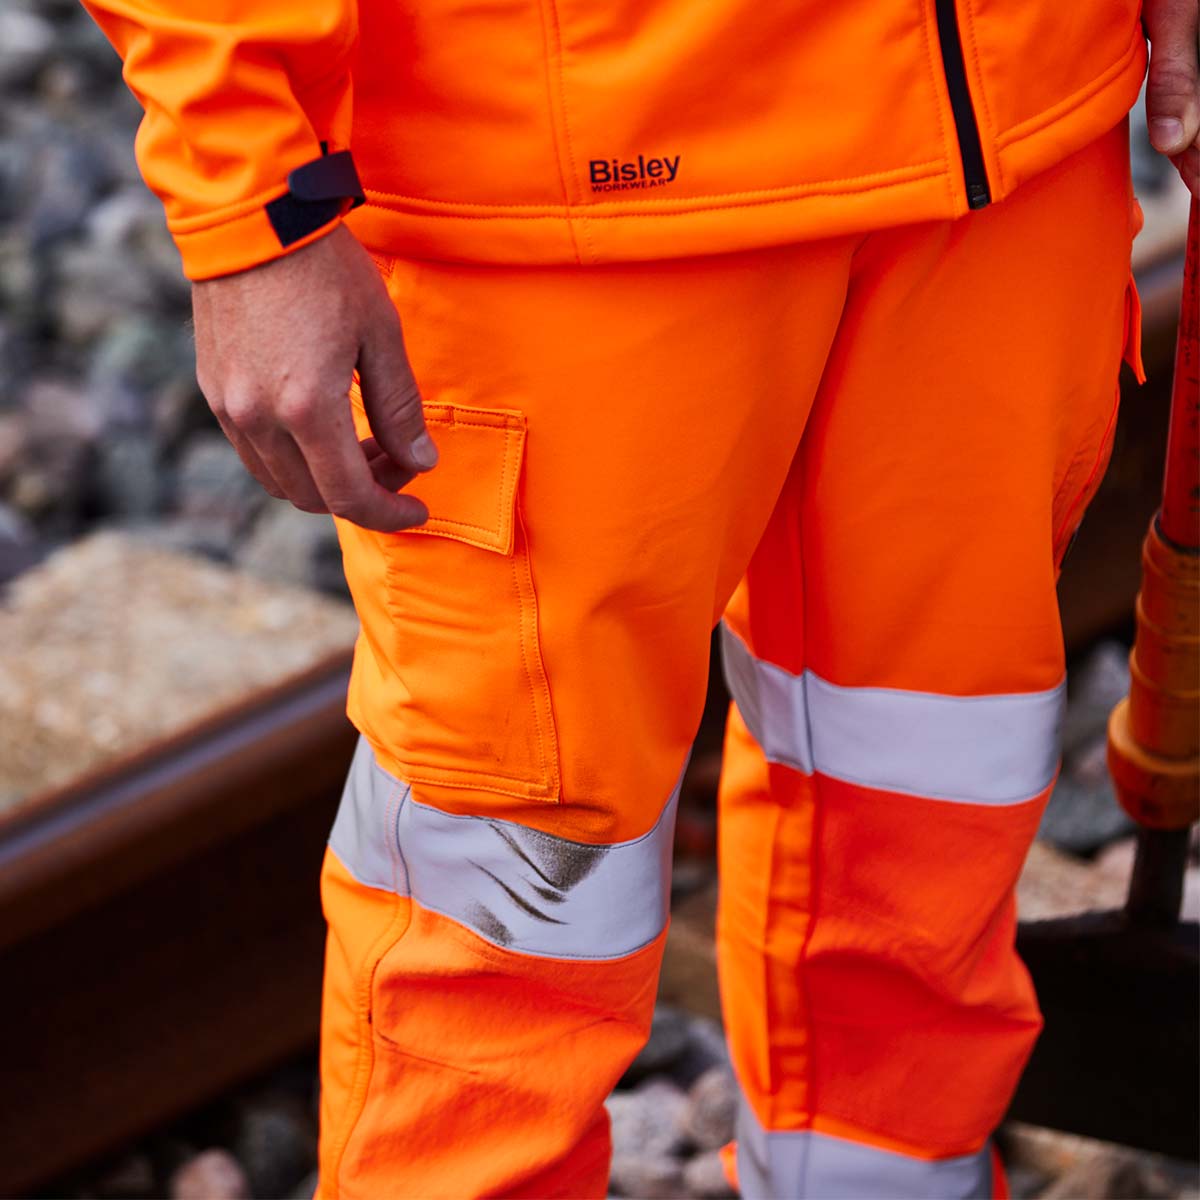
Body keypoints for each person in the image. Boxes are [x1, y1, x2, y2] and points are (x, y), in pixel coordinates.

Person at [79, 0, 1200, 1195]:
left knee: (927, 833)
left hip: (1013, 131)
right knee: (504, 937)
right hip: (568, 179)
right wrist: (252, 202)